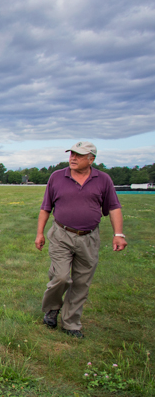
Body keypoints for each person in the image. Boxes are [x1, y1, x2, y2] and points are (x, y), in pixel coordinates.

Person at [35, 141, 127, 339]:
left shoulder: (103, 180)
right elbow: (46, 207)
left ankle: (71, 324)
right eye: (72, 154)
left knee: (81, 282)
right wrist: (40, 233)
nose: (73, 158)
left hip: (89, 237)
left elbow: (113, 207)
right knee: (60, 277)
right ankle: (52, 309)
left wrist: (118, 234)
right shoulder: (57, 177)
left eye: (79, 155)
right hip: (61, 234)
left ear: (91, 159)